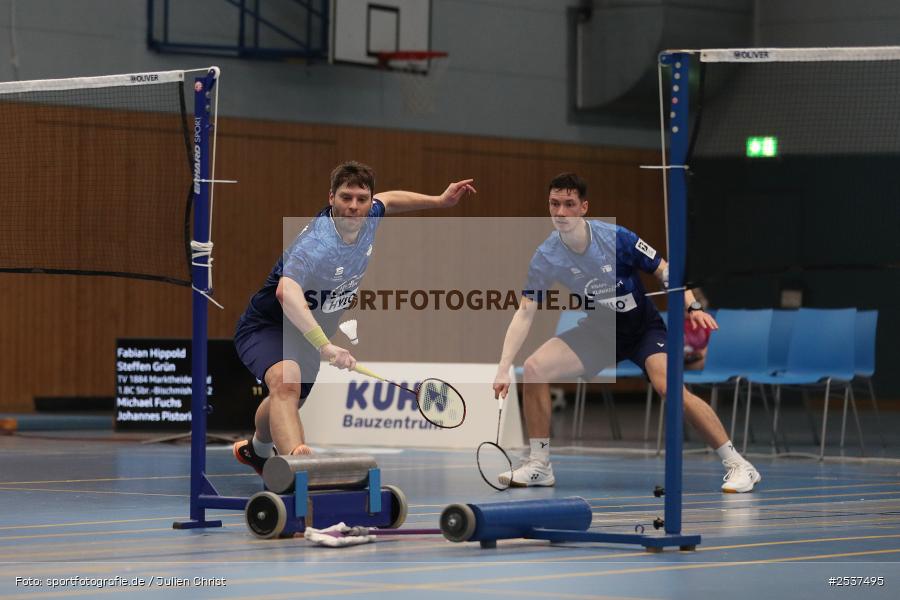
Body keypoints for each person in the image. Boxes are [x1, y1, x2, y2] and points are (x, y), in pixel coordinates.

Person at [492, 173, 761, 493]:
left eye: (569, 204)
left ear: (583, 208)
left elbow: (664, 269)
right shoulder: (547, 255)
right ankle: (539, 465)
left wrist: (691, 305)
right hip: (599, 333)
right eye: (554, 204)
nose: (560, 212)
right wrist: (503, 366)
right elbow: (525, 312)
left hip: (643, 330)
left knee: (669, 388)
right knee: (535, 368)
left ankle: (738, 464)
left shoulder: (616, 238)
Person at [233, 161, 476, 473]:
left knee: (289, 399)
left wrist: (439, 201)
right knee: (286, 382)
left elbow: (389, 199)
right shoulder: (316, 244)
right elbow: (286, 293)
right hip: (268, 326)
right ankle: (298, 469)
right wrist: (325, 346)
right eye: (346, 197)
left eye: (362, 199)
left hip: (307, 332)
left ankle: (257, 449)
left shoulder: (370, 215)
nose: (354, 206)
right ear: (331, 197)